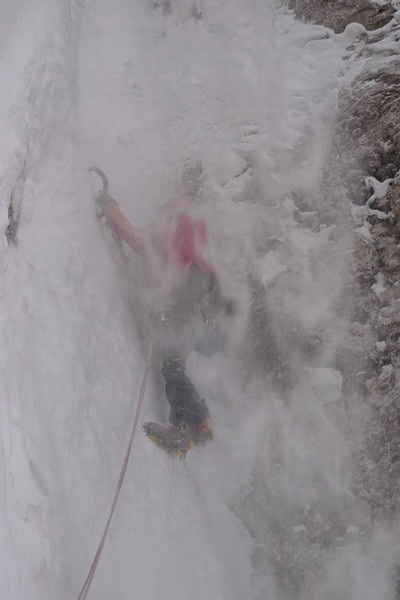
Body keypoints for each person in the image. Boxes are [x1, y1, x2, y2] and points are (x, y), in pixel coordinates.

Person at [96, 177, 231, 458]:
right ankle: (200, 419)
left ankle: (181, 428)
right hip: (193, 311)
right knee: (175, 365)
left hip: (177, 308)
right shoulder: (195, 239)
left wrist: (108, 205)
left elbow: (131, 235)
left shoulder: (166, 233)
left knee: (171, 364)